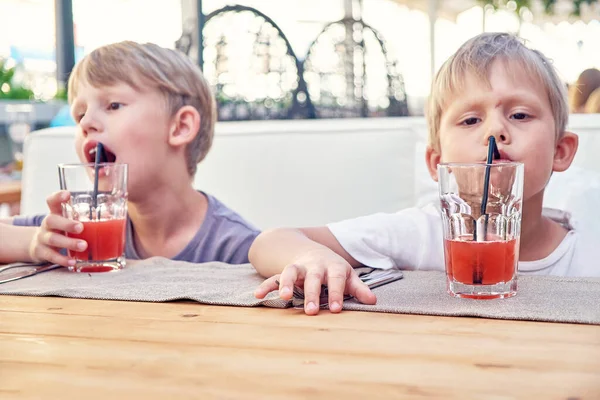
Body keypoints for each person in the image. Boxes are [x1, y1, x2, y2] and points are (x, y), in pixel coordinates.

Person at [250, 32, 599, 316]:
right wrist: (314, 258)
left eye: (520, 115)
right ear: (436, 163)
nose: (494, 131)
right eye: (471, 120)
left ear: (561, 151)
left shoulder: (589, 251)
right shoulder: (423, 233)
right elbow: (270, 242)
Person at [0, 41, 259, 266]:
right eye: (79, 114)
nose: (86, 122)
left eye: (113, 105)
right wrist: (33, 243)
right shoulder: (76, 232)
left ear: (180, 127)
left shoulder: (235, 246)